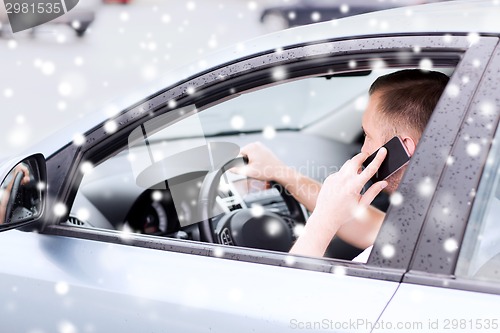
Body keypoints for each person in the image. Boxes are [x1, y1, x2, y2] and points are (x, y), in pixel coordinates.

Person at [238, 69, 450, 258]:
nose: (363, 149)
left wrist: (322, 222)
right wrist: (281, 172)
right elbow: (380, 229)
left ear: (404, 147)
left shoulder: (394, 263)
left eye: (367, 135)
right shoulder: (443, 222)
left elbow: (288, 294)